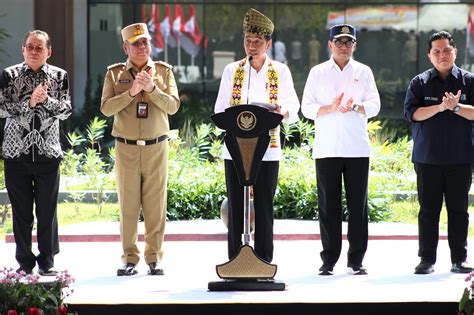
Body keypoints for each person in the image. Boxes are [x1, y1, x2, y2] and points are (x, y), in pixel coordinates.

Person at [214, 8, 300, 263]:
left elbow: (293, 107)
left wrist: (281, 111)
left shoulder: (280, 72)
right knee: (236, 206)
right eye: (248, 41)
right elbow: (219, 111)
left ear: (269, 44)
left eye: (258, 42)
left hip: (268, 149)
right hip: (234, 149)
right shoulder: (232, 71)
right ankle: (234, 261)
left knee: (263, 207)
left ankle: (263, 262)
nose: (252, 46)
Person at [100, 23, 180, 276]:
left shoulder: (164, 72)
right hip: (127, 148)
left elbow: (173, 106)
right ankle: (129, 258)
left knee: (156, 205)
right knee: (129, 206)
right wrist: (131, 92)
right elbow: (106, 109)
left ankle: (155, 258)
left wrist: (152, 90)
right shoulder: (114, 74)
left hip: (157, 146)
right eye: (136, 43)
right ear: (126, 47)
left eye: (145, 42)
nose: (142, 47)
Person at [301, 24, 380, 276]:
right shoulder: (318, 72)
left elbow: (375, 105)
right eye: (339, 41)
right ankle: (329, 259)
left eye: (348, 42)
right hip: (327, 149)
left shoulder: (364, 71)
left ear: (355, 45)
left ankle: (356, 260)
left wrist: (356, 106)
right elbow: (306, 108)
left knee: (358, 206)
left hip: (356, 148)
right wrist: (330, 107)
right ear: (330, 45)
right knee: (328, 206)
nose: (344, 46)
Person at [0, 30, 72, 276]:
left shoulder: (60, 76)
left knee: (47, 210)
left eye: (39, 48)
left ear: (48, 52)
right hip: (15, 153)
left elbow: (66, 111)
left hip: (47, 154)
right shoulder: (9, 75)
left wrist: (46, 100)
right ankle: (24, 263)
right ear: (23, 49)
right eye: (29, 46)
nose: (33, 51)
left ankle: (47, 260)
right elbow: (1, 108)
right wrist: (29, 103)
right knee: (21, 212)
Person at [403, 31, 474, 275]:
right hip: (427, 159)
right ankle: (426, 260)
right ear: (429, 55)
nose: (442, 55)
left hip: (461, 157)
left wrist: (456, 107)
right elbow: (413, 114)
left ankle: (459, 259)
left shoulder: (469, 81)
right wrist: (441, 106)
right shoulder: (419, 82)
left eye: (446, 50)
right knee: (428, 211)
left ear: (455, 52)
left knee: (458, 211)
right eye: (437, 51)